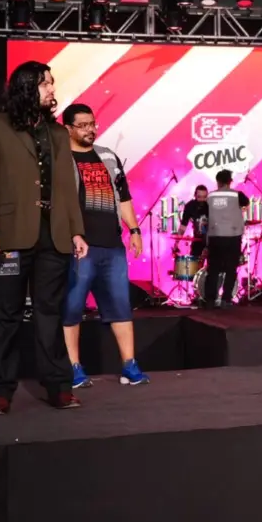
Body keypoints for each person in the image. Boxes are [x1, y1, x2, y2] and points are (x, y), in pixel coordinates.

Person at [0, 60, 88, 415]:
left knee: (49, 313)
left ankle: (59, 387)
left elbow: (66, 187)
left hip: (53, 237)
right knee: (5, 314)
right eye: (45, 83)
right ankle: (0, 390)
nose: (52, 89)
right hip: (10, 237)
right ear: (26, 87)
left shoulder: (57, 133)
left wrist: (76, 230)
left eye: (51, 83)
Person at [60, 103, 149, 388]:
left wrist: (134, 229)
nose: (90, 130)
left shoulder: (108, 156)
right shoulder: (59, 158)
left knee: (121, 307)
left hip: (112, 247)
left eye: (92, 124)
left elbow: (124, 196)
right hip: (79, 247)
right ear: (68, 128)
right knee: (72, 308)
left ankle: (130, 365)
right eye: (83, 125)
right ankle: (73, 368)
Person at [201, 169, 249, 308]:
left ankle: (210, 300)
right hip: (232, 236)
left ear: (218, 182)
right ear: (230, 181)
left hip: (215, 236)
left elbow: (205, 214)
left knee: (213, 269)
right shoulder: (237, 195)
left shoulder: (210, 197)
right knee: (230, 269)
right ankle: (226, 299)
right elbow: (246, 204)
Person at [175, 185, 210, 261]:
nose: (202, 199)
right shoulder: (190, 206)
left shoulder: (210, 205)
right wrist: (176, 242)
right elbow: (183, 225)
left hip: (212, 241)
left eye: (204, 197)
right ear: (195, 195)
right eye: (199, 197)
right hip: (198, 241)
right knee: (194, 265)